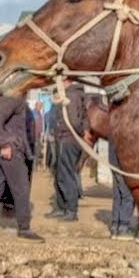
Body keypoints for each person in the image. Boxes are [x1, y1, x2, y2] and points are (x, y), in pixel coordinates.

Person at [0, 93, 42, 242]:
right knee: (21, 188)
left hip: (1, 149)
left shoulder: (1, 100)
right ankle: (24, 229)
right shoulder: (13, 99)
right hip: (11, 150)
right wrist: (5, 143)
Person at [47, 78, 86, 221]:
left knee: (66, 175)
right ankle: (62, 206)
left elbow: (74, 122)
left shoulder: (72, 96)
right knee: (59, 174)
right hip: (61, 138)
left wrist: (61, 128)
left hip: (68, 139)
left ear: (66, 80)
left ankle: (71, 209)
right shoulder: (66, 94)